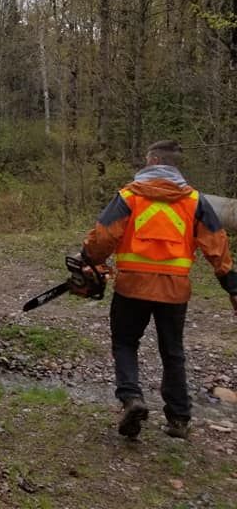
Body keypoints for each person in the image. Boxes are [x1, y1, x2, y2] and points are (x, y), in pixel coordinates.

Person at [80, 139, 237, 440]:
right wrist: (231, 285)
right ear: (176, 166)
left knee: (125, 344)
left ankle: (132, 398)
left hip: (132, 286)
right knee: (173, 352)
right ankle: (179, 418)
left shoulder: (129, 196)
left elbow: (102, 237)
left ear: (152, 161)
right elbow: (217, 246)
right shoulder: (194, 201)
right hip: (174, 290)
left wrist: (89, 260)